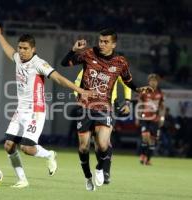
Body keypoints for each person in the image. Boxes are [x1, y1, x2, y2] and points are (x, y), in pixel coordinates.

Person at [0, 24, 93, 188]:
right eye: (20, 47)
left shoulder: (39, 63)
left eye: (25, 48)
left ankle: (50, 154)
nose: (22, 51)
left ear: (33, 49)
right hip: (20, 111)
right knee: (8, 146)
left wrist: (80, 89)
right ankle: (22, 180)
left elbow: (59, 78)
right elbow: (7, 49)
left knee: (26, 148)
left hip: (35, 111)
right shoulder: (18, 58)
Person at [61, 28, 151, 191]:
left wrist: (138, 90)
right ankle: (88, 177)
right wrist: (73, 49)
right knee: (83, 147)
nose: (101, 44)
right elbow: (65, 63)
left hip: (105, 107)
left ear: (113, 44)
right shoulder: (89, 54)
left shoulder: (120, 62)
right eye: (100, 41)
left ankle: (100, 168)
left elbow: (127, 81)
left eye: (105, 42)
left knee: (103, 144)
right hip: (85, 107)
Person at [74, 71, 131, 185]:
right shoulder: (88, 65)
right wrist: (78, 97)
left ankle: (105, 171)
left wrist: (127, 101)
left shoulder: (116, 68)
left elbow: (126, 83)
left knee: (103, 141)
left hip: (109, 106)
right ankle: (100, 168)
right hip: (88, 106)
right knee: (90, 145)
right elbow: (77, 82)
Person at [137, 74, 165, 165]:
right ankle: (142, 155)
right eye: (151, 81)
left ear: (157, 82)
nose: (153, 82)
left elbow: (162, 107)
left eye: (155, 81)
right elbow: (139, 104)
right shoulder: (144, 91)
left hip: (155, 119)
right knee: (145, 136)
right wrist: (138, 117)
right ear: (148, 82)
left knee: (152, 140)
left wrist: (162, 118)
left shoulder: (160, 93)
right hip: (145, 117)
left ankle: (148, 159)